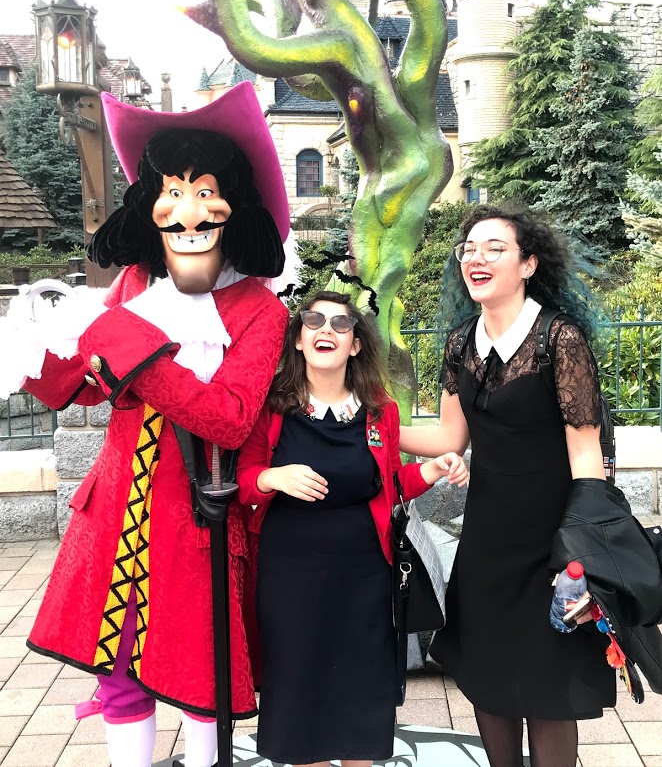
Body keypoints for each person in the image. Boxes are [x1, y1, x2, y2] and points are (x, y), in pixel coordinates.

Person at [3, 82, 293, 767]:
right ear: (150, 204)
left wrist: (129, 343)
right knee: (119, 671)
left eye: (205, 191)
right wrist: (36, 345)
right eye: (172, 191)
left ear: (235, 206)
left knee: (199, 675)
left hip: (197, 521)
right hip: (118, 517)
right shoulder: (135, 283)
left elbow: (228, 419)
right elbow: (85, 387)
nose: (188, 211)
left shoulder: (261, 309)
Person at [399, 204, 616, 767]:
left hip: (553, 543)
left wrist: (584, 553)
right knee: (489, 680)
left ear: (528, 264)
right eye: (469, 249)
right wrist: (369, 425)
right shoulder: (460, 343)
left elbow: (586, 453)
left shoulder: (559, 339)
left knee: (548, 689)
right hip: (487, 542)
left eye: (495, 248)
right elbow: (449, 436)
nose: (477, 257)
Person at [237, 290, 468, 767]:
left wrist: (431, 470)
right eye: (314, 321)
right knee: (299, 686)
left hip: (364, 575)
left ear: (356, 344)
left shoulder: (379, 412)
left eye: (341, 324)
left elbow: (389, 483)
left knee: (361, 690)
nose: (327, 330)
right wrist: (272, 477)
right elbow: (242, 480)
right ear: (298, 339)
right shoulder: (271, 406)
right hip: (290, 577)